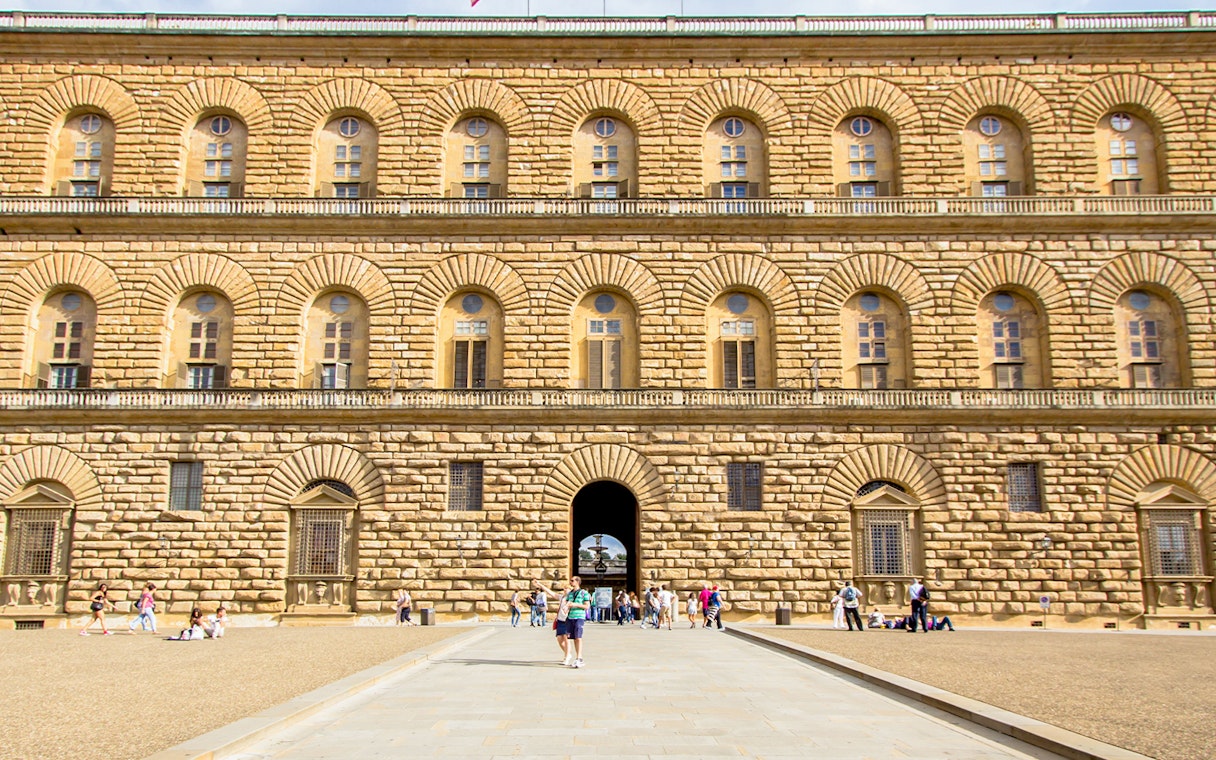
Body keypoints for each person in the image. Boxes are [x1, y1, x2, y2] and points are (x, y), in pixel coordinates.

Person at [534, 579, 572, 664]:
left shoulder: (572, 598)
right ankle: (567, 653)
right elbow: (550, 592)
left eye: (567, 588)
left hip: (568, 620)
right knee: (559, 639)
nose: (565, 590)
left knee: (566, 639)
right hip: (560, 620)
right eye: (564, 588)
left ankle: (566, 657)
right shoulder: (561, 597)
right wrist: (540, 584)